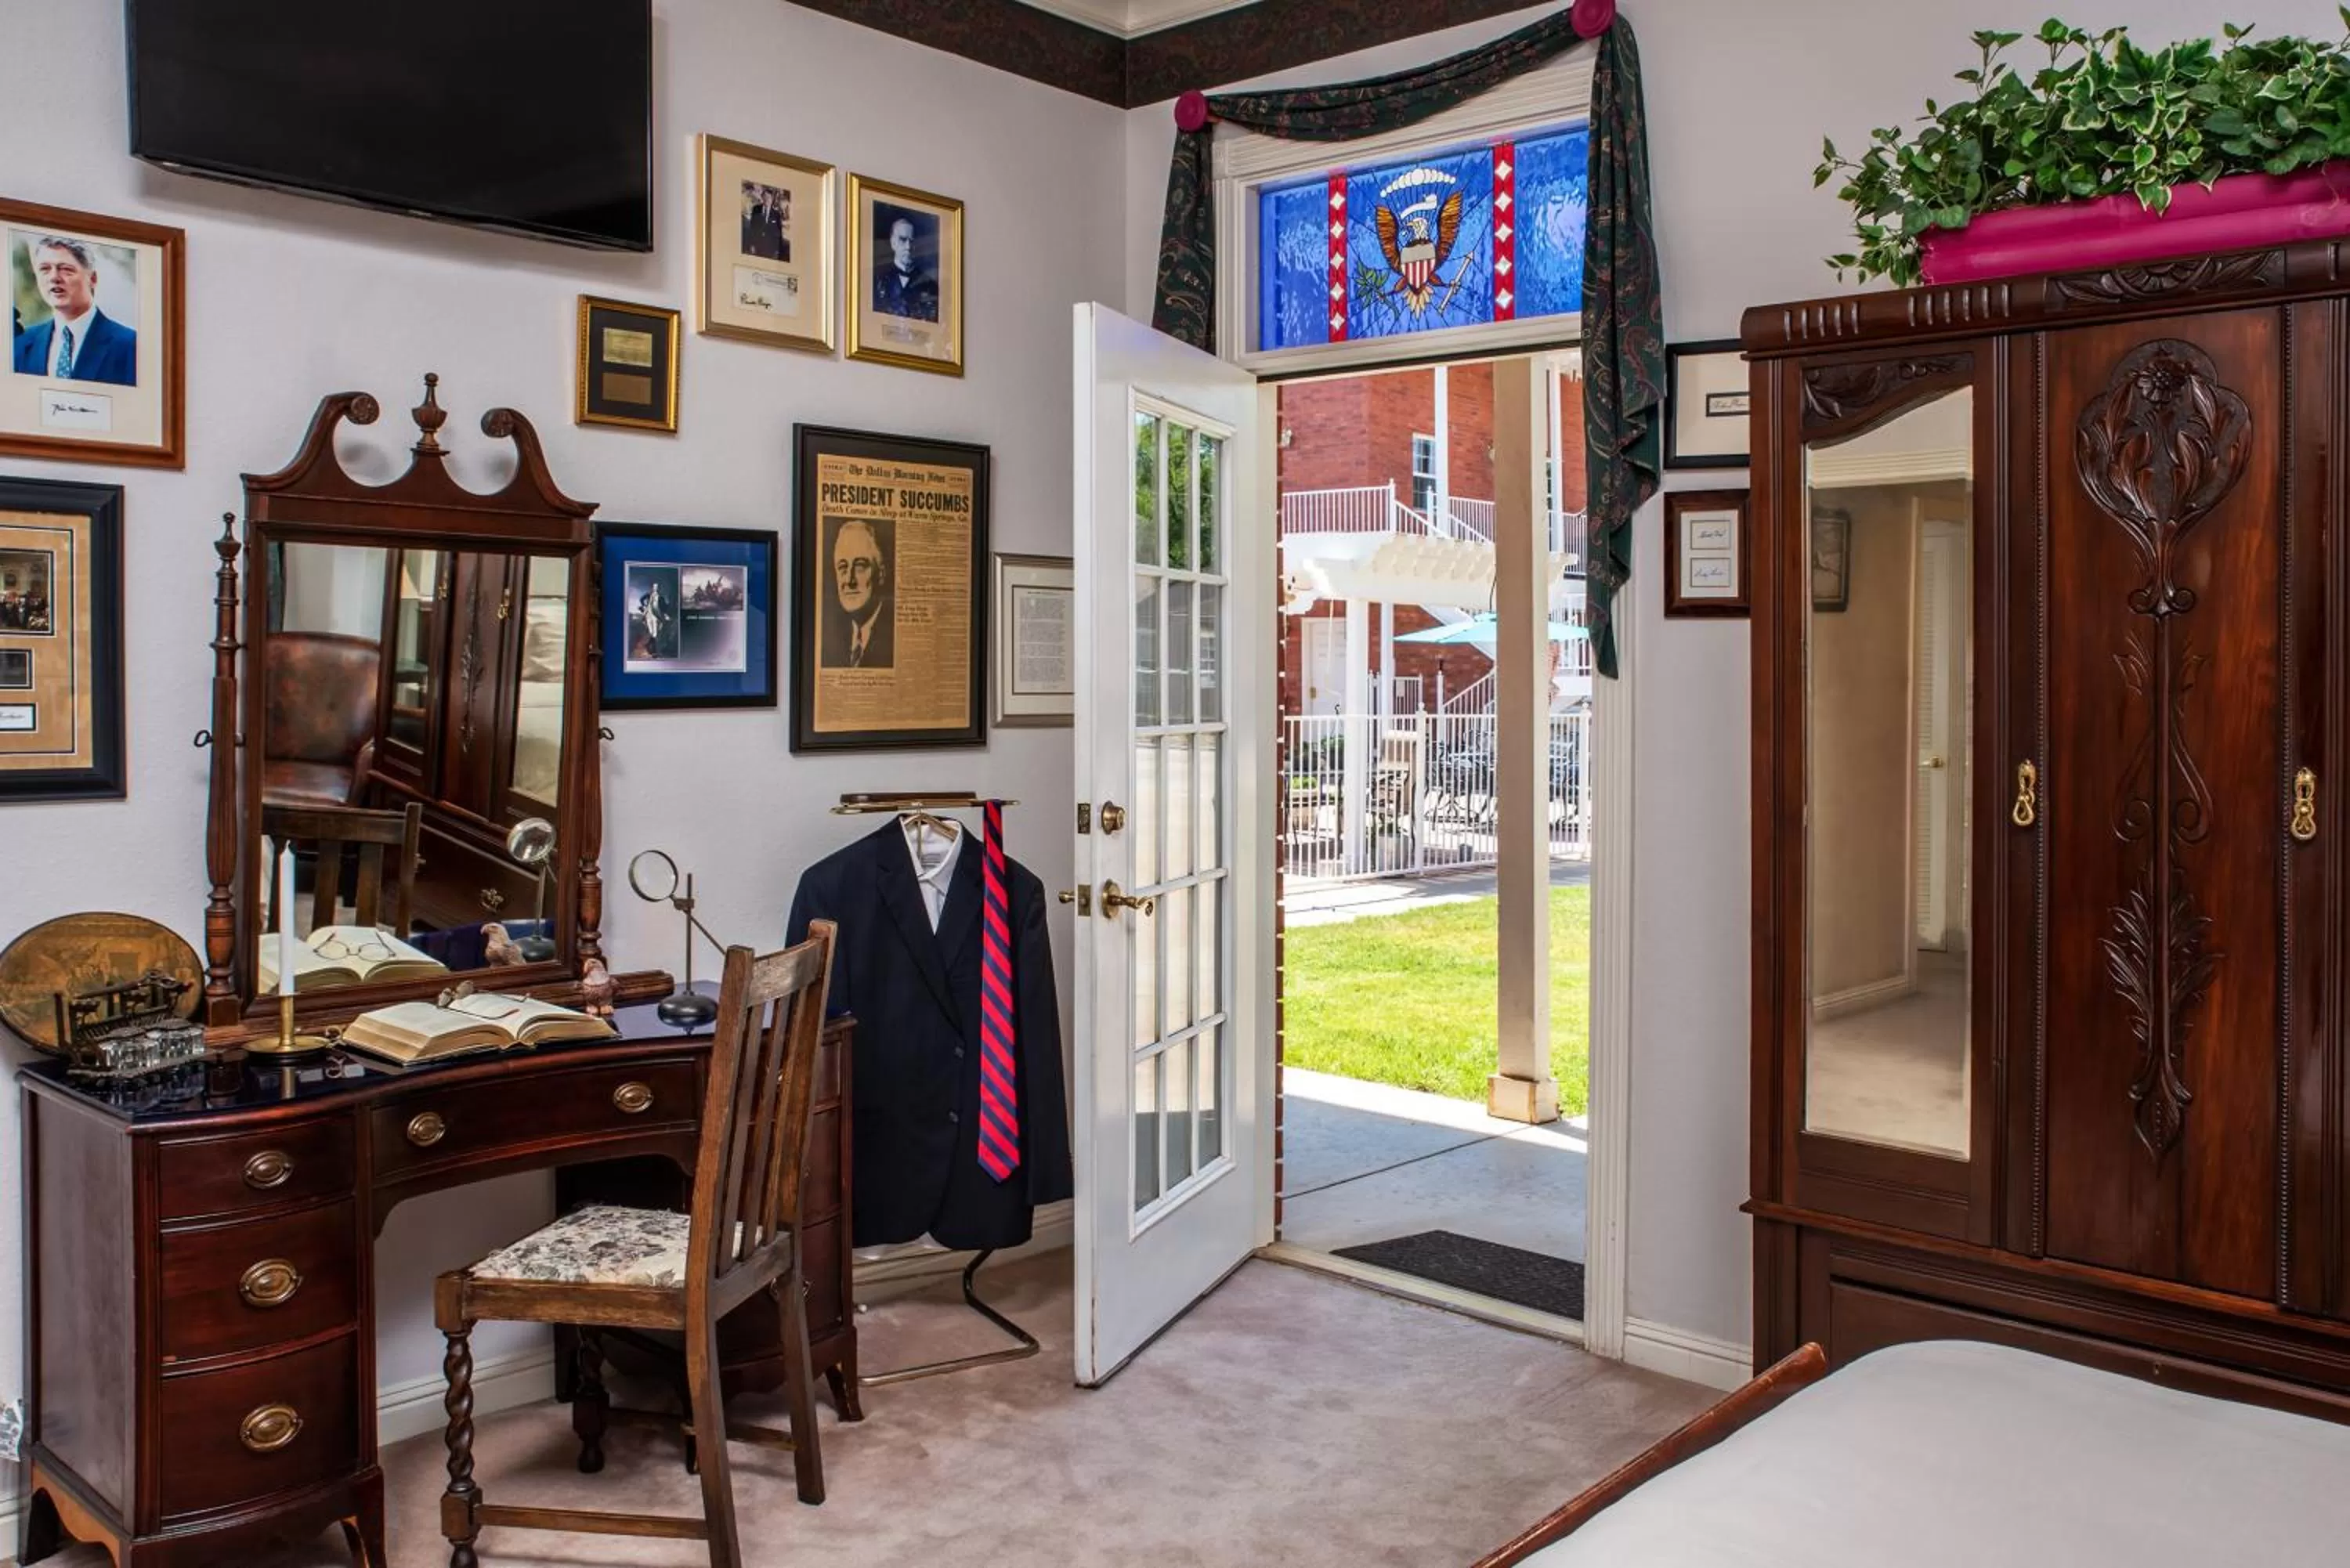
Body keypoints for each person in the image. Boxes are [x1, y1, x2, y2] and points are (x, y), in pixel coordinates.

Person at [12, 237, 137, 386]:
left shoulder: (129, 345)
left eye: (66, 269)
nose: (54, 277)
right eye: (45, 269)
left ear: (93, 279)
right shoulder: (20, 343)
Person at [822, 519, 894, 669]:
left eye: (860, 566)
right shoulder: (830, 640)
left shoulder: (893, 637)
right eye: (843, 567)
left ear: (881, 574)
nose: (850, 580)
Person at [871, 213, 938, 323]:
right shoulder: (876, 280)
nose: (908, 247)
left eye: (912, 241)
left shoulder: (930, 286)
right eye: (903, 239)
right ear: (893, 243)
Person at [741, 185, 788, 262]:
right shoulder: (756, 209)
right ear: (762, 198)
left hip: (771, 249)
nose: (767, 199)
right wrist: (752, 245)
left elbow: (779, 234)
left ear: (772, 199)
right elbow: (752, 229)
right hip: (757, 247)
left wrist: (778, 251)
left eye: (769, 197)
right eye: (765, 197)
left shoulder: (776, 214)